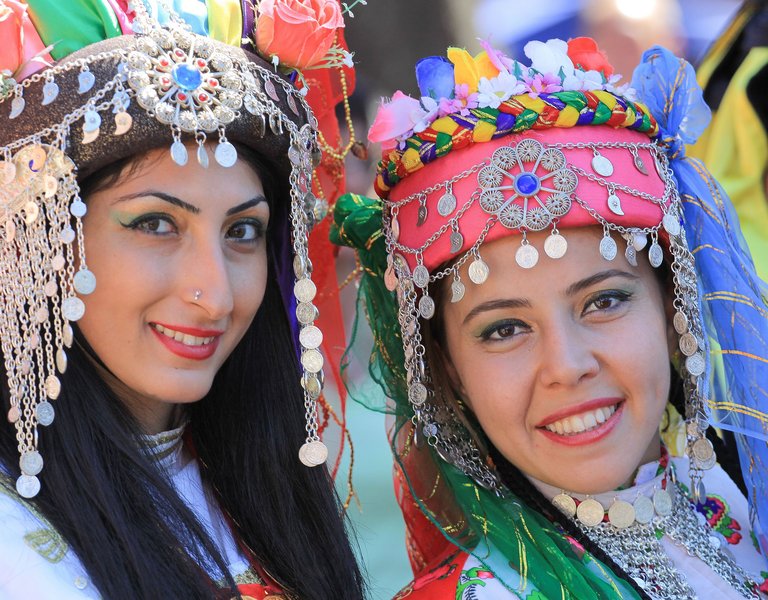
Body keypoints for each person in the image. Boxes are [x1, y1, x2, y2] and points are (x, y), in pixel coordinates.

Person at [331, 36, 768, 598]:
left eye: (604, 301)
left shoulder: (743, 505)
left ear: (669, 306)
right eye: (504, 330)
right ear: (448, 368)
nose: (566, 365)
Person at [0, 1, 365, 598]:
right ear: (39, 237)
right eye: (154, 224)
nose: (214, 295)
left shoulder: (263, 487)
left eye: (242, 232)